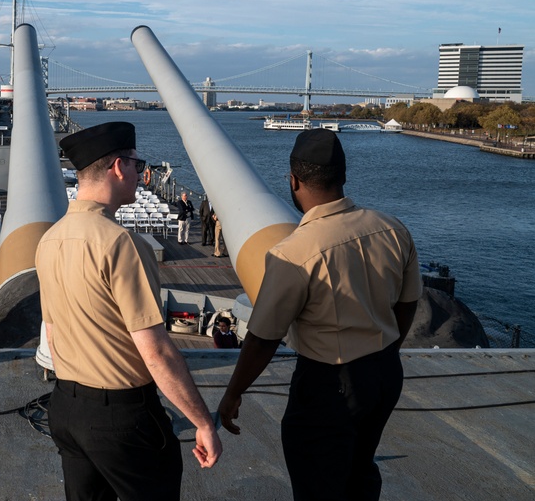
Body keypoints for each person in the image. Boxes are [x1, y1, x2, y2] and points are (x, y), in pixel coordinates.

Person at [218, 128, 421, 501]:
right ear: (342, 176)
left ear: (293, 181)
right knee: (360, 467)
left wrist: (234, 393)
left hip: (330, 386)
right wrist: (387, 349)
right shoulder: (393, 229)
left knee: (317, 480)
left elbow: (264, 337)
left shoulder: (293, 253)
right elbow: (408, 304)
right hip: (385, 375)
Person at [36, 121, 221, 500]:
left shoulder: (48, 240)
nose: (141, 174)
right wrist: (202, 422)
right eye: (139, 165)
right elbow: (154, 350)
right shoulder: (122, 244)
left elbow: (52, 334)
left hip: (66, 409)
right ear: (119, 167)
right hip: (122, 417)